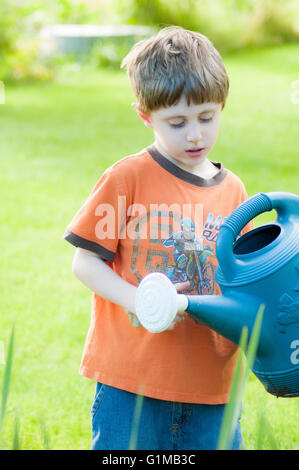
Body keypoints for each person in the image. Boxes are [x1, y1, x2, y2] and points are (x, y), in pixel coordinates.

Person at [63, 26, 253, 450]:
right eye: (177, 122)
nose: (194, 135)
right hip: (132, 384)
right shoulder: (127, 178)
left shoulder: (234, 192)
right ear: (146, 116)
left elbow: (245, 282)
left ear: (221, 107)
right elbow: (85, 262)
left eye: (206, 117)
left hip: (211, 385)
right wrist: (142, 302)